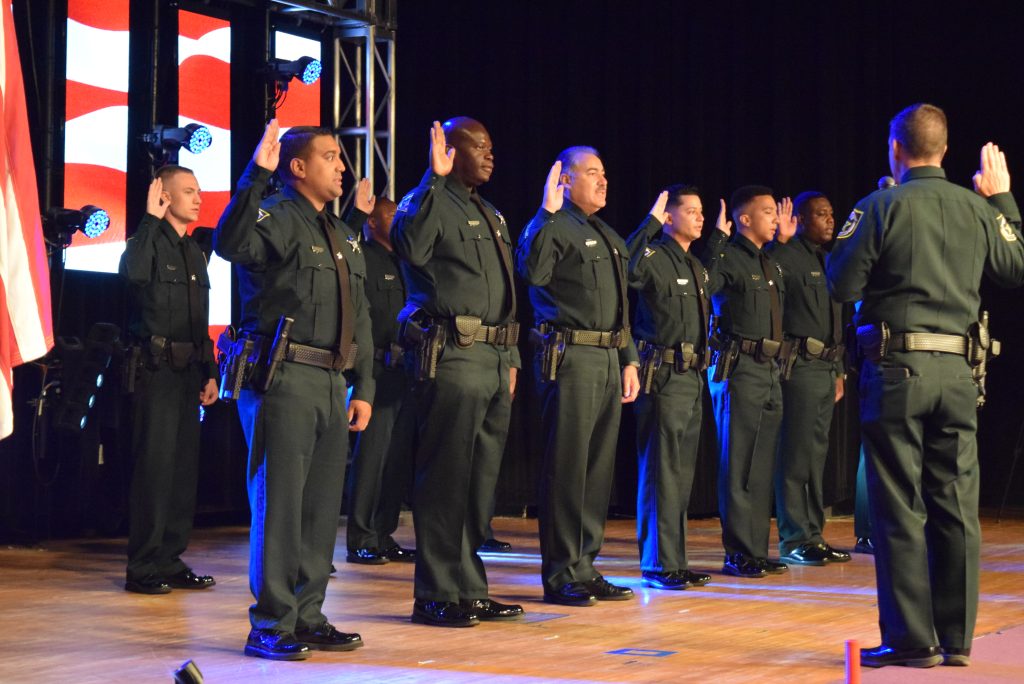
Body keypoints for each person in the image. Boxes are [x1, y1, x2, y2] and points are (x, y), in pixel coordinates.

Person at [828, 104, 1024, 668]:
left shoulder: (879, 206)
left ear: (896, 148)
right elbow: (1015, 267)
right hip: (959, 374)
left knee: (898, 504)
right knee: (956, 504)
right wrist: (1002, 200)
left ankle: (913, 640)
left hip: (897, 371)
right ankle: (956, 639)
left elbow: (841, 284)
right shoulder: (977, 208)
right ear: (945, 150)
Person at [215, 120, 375, 660]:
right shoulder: (276, 215)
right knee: (280, 503)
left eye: (341, 157)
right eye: (330, 156)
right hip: (282, 377)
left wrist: (363, 385)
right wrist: (254, 176)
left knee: (320, 508)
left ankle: (308, 615)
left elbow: (362, 316)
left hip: (331, 380)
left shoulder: (342, 234)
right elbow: (229, 243)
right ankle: (270, 622)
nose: (342, 166)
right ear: (299, 167)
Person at [391, 118, 523, 627]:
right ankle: (436, 593)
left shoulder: (490, 212)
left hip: (493, 357)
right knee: (446, 478)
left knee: (479, 482)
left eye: (491, 146)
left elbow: (507, 293)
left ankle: (469, 588)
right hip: (453, 352)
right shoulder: (426, 201)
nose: (490, 154)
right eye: (479, 146)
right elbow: (410, 246)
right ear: (450, 149)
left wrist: (510, 358)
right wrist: (433, 178)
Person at [516, 148, 641, 606]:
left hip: (607, 358)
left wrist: (629, 358)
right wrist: (546, 214)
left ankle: (586, 566)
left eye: (604, 173)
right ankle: (560, 572)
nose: (603, 181)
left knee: (596, 471)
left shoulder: (606, 234)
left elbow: (621, 306)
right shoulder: (553, 224)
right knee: (567, 468)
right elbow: (531, 271)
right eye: (592, 173)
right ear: (565, 180)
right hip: (571, 357)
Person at [119, 165, 218, 595]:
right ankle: (142, 567)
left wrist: (210, 370)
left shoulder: (194, 250)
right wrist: (149, 219)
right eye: (189, 191)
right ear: (164, 195)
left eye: (198, 191)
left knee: (182, 472)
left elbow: (201, 319)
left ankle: (170, 559)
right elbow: (132, 275)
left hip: (189, 371)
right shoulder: (148, 241)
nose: (198, 199)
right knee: (155, 470)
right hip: (156, 371)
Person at [626, 184, 715, 590]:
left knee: (680, 473)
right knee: (661, 470)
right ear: (668, 217)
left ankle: (675, 560)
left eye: (701, 211)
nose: (700, 217)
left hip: (692, 376)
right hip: (662, 373)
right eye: (691, 211)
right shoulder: (652, 256)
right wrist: (648, 223)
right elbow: (625, 268)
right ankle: (658, 563)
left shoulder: (695, 265)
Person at [703, 186, 795, 578]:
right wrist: (716, 240)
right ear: (745, 219)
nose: (776, 218)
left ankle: (756, 549)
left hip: (770, 369)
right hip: (740, 368)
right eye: (768, 212)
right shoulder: (728, 257)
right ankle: (738, 552)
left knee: (761, 466)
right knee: (739, 463)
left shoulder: (768, 262)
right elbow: (703, 284)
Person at [766, 191, 850, 566]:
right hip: (798, 367)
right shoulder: (786, 256)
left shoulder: (829, 260)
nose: (830, 219)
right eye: (820, 214)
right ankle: (795, 537)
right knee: (796, 455)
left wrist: (838, 370)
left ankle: (814, 534)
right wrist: (780, 242)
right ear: (800, 220)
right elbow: (766, 277)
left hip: (825, 368)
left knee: (816, 457)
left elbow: (837, 320)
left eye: (831, 213)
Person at [344, 194, 417, 565]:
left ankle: (384, 533)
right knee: (371, 458)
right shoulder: (363, 259)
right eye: (392, 215)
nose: (399, 219)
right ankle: (361, 537)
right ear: (372, 222)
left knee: (396, 458)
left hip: (406, 372)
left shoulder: (406, 261)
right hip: (376, 371)